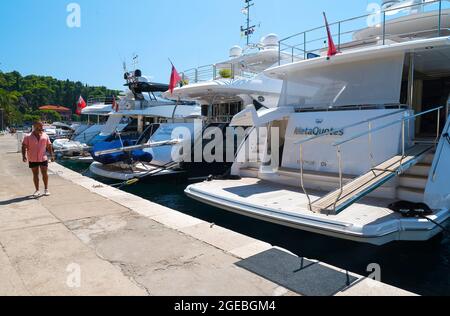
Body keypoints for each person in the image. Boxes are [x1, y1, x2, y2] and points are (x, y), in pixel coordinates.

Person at [22, 121, 55, 197]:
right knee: (35, 174)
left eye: (41, 126)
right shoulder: (28, 136)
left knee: (45, 174)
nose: (40, 128)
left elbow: (49, 146)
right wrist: (23, 156)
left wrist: (52, 155)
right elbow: (24, 146)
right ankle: (37, 190)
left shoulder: (45, 135)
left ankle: (46, 189)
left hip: (43, 158)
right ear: (34, 126)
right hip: (32, 158)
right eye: (38, 126)